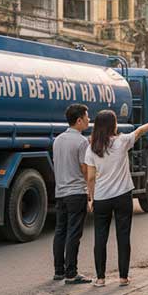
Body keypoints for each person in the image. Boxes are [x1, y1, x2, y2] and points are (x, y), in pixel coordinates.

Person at [85, 111, 148, 287]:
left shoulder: (91, 148)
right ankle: (123, 277)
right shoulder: (122, 141)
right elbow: (140, 131)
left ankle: (100, 279)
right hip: (122, 196)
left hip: (102, 197)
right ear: (113, 125)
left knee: (100, 237)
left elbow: (90, 177)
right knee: (123, 236)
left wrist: (90, 197)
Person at [51, 104, 92, 285]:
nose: (89, 120)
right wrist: (91, 191)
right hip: (76, 192)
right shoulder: (82, 142)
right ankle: (71, 273)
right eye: (87, 117)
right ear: (79, 120)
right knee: (73, 234)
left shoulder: (58, 140)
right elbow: (85, 169)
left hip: (60, 193)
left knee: (60, 231)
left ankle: (59, 271)